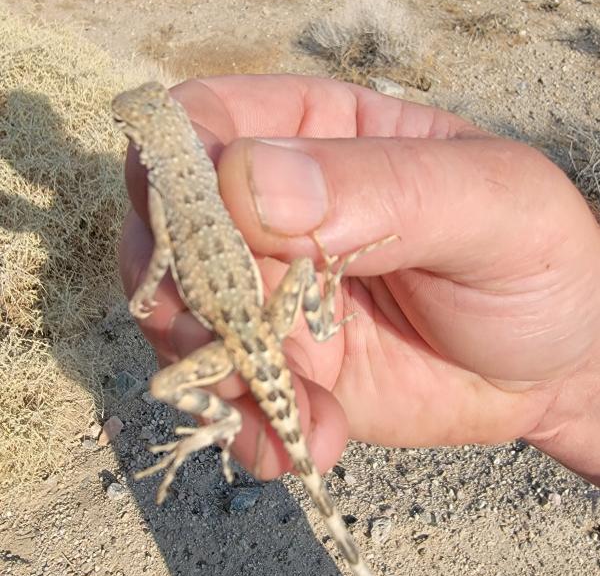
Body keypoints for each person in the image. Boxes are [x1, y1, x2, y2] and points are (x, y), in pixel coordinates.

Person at [119, 74, 600, 488]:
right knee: (305, 266)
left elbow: (162, 257)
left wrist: (143, 293)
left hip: (243, 334)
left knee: (165, 388)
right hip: (262, 320)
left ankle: (219, 421)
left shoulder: (170, 190)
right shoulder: (202, 171)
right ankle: (321, 326)